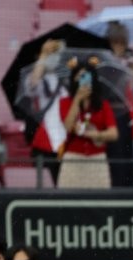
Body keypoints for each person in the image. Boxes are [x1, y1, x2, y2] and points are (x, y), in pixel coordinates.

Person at [57, 58, 117, 189]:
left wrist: (97, 135)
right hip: (73, 159)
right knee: (69, 201)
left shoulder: (103, 105)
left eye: (86, 77)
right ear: (74, 80)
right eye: (79, 77)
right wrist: (77, 99)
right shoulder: (65, 102)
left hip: (97, 160)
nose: (83, 81)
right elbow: (67, 126)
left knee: (98, 202)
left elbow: (114, 133)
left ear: (93, 79)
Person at [25, 38, 67, 185]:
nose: (54, 57)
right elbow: (32, 84)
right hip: (45, 142)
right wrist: (44, 55)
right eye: (51, 54)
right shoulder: (38, 79)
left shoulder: (64, 82)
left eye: (56, 54)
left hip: (64, 142)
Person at [104, 22, 133, 188]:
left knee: (126, 161)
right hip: (109, 115)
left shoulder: (128, 61)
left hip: (124, 116)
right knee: (114, 161)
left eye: (122, 43)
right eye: (116, 42)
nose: (119, 46)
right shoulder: (103, 61)